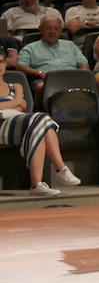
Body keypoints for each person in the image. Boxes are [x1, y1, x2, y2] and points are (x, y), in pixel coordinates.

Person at [0, 47, 82, 196]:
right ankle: (59, 170)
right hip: (4, 125)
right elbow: (19, 103)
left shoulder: (16, 86)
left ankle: (38, 183)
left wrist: (10, 105)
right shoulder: (16, 92)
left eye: (0, 62)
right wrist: (16, 103)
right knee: (42, 120)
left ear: (5, 64)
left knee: (40, 122)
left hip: (16, 122)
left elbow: (23, 105)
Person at [17, 15, 89, 102]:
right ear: (40, 29)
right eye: (48, 28)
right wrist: (38, 73)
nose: (52, 31)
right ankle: (39, 111)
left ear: (61, 31)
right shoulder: (30, 48)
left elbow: (83, 62)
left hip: (71, 77)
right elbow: (20, 66)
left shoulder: (70, 45)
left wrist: (82, 75)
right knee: (41, 87)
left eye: (56, 28)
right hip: (45, 79)